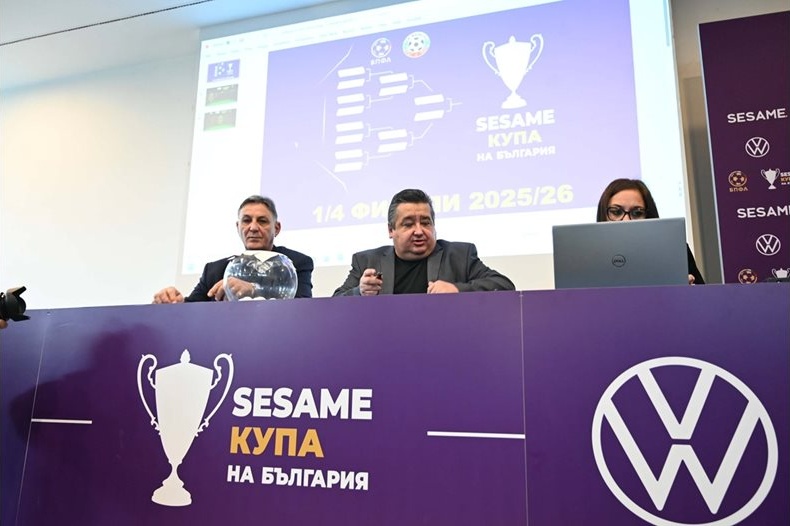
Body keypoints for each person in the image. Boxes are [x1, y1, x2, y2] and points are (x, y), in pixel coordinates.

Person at [333, 189, 515, 296]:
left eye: (426, 223)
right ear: (391, 230)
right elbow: (334, 303)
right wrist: (359, 291)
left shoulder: (459, 255)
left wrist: (456, 289)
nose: (419, 231)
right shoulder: (367, 261)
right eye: (408, 224)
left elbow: (504, 286)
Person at [153, 195, 314, 303]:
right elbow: (193, 308)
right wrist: (174, 301)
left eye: (262, 221)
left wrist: (254, 290)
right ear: (238, 227)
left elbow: (303, 307)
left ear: (276, 228)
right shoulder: (215, 270)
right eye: (246, 220)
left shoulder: (296, 263)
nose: (253, 227)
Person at [596, 178, 705, 285]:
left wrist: (689, 291)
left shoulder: (676, 251)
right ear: (603, 215)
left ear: (648, 216)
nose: (626, 220)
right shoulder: (590, 256)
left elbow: (704, 295)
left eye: (637, 213)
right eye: (616, 212)